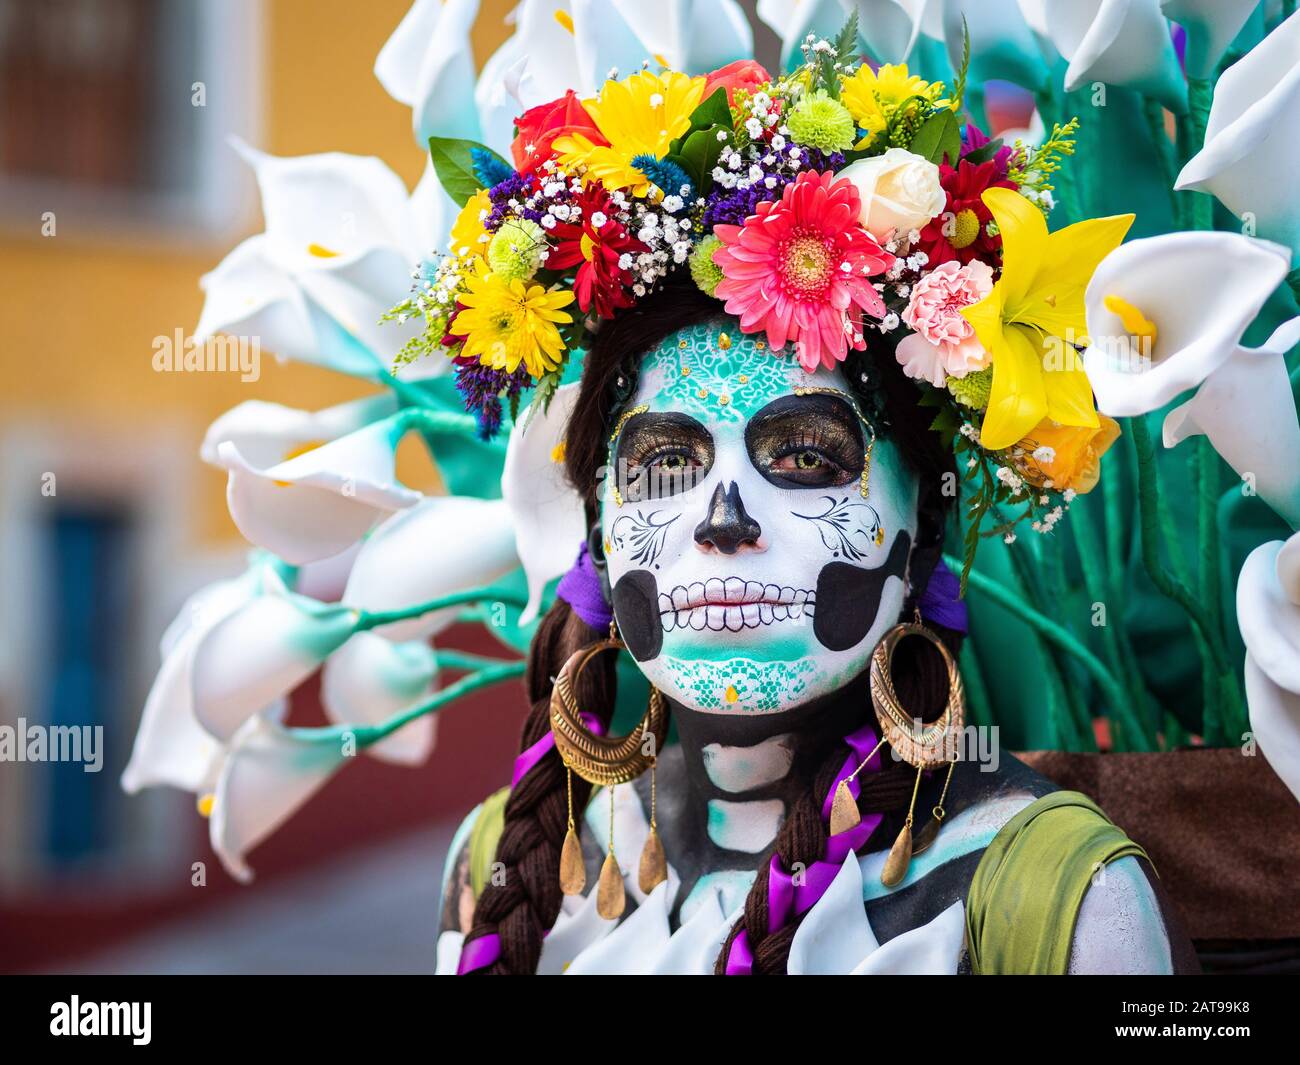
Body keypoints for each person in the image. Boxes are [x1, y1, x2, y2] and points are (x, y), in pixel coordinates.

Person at [435, 277, 1199, 975]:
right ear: (600, 539)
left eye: (804, 456)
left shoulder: (1062, 895)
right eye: (665, 465)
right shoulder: (499, 860)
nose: (722, 520)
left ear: (923, 530)